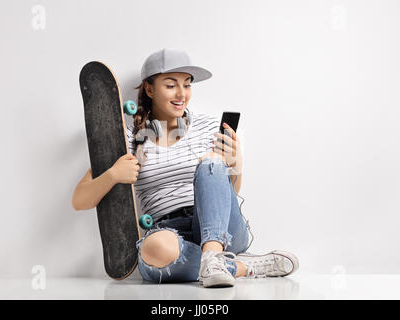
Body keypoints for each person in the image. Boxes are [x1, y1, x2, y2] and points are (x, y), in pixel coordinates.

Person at [72, 48, 299, 288]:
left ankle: (213, 255)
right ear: (149, 89)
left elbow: (229, 192)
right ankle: (241, 267)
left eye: (187, 85)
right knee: (151, 250)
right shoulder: (130, 139)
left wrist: (235, 164)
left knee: (211, 163)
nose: (182, 94)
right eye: (171, 85)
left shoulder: (211, 127)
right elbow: (79, 200)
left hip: (221, 227)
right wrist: (113, 175)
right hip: (169, 232)